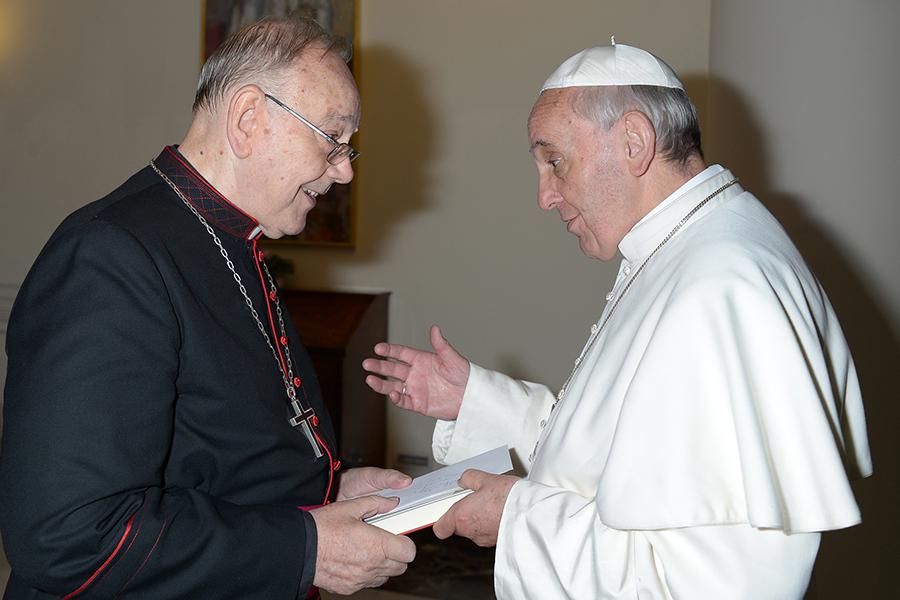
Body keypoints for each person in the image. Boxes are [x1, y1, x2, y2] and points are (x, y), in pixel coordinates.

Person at [363, 41, 872, 598]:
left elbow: (715, 582)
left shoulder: (721, 287)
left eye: (554, 160)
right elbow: (615, 463)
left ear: (634, 142)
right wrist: (476, 401)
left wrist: (516, 519)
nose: (544, 196)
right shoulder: (691, 247)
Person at [0, 15, 415, 599]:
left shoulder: (230, 241)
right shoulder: (110, 255)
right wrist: (307, 547)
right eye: (332, 139)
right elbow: (68, 537)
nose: (344, 170)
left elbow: (214, 454)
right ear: (249, 120)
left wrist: (329, 493)